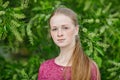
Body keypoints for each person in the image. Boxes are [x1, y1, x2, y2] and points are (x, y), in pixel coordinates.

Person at [38, 7, 101, 80]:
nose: (59, 33)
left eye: (65, 28)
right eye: (55, 29)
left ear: (76, 30)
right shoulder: (45, 68)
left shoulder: (89, 67)